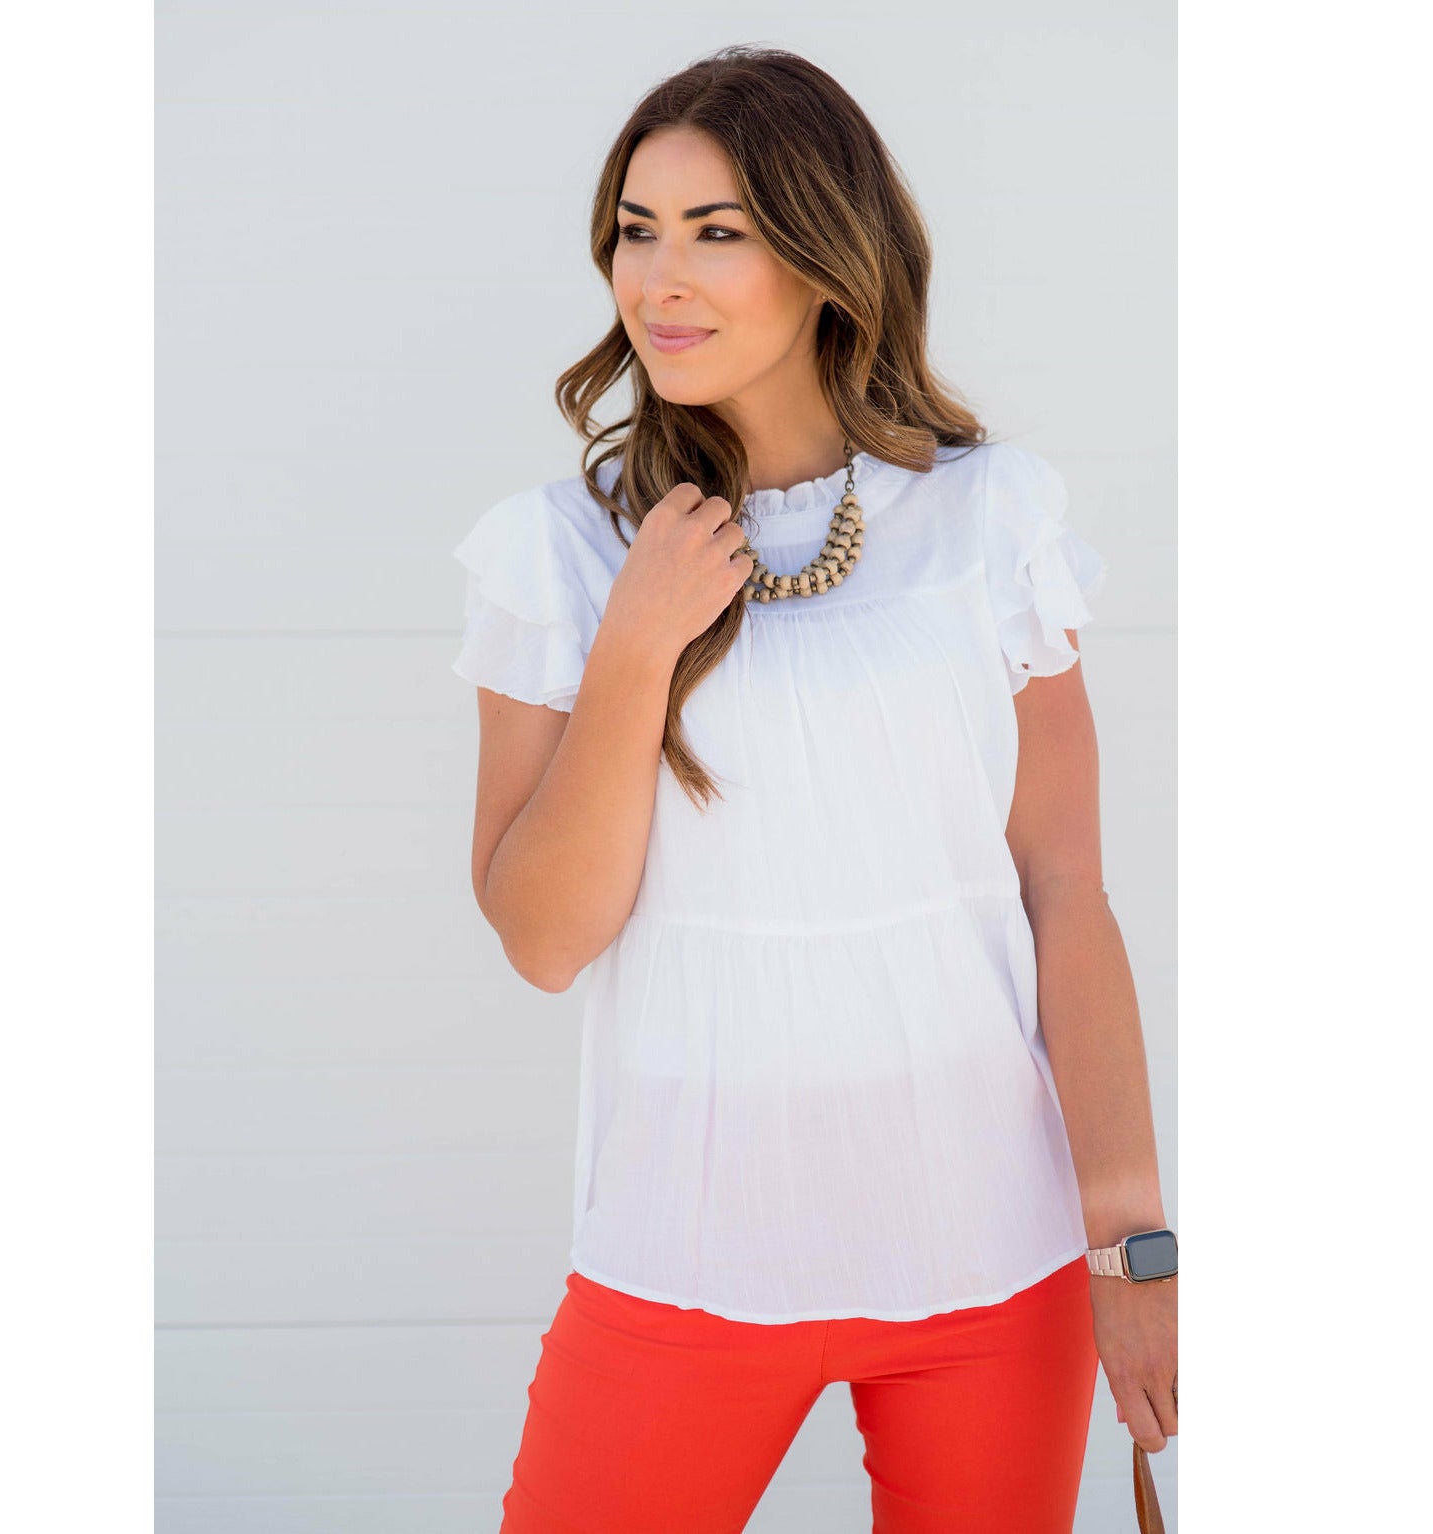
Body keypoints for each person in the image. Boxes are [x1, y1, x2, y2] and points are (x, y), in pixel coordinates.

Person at [450, 44, 1176, 1534]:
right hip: (687, 1252)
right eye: (635, 230)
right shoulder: (559, 553)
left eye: (715, 232)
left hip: (991, 1258)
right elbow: (542, 936)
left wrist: (1132, 1246)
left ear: (825, 254)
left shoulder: (987, 519)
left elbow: (1063, 892)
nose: (659, 278)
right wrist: (637, 645)